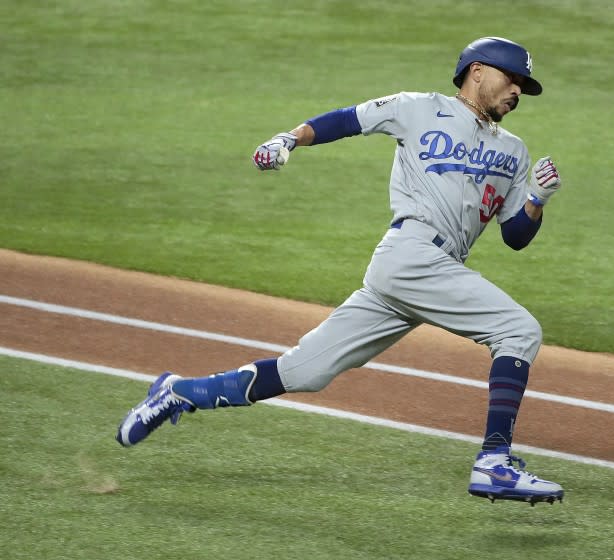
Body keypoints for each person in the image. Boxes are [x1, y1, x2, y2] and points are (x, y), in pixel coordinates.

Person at [116, 37, 565, 505]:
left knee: (303, 371)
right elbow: (347, 121)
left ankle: (180, 392)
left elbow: (515, 236)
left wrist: (536, 199)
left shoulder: (514, 151)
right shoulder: (418, 108)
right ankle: (494, 463)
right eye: (511, 78)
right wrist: (290, 139)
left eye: (523, 85)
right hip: (411, 255)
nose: (517, 91)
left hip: (427, 274)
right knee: (518, 331)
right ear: (477, 71)